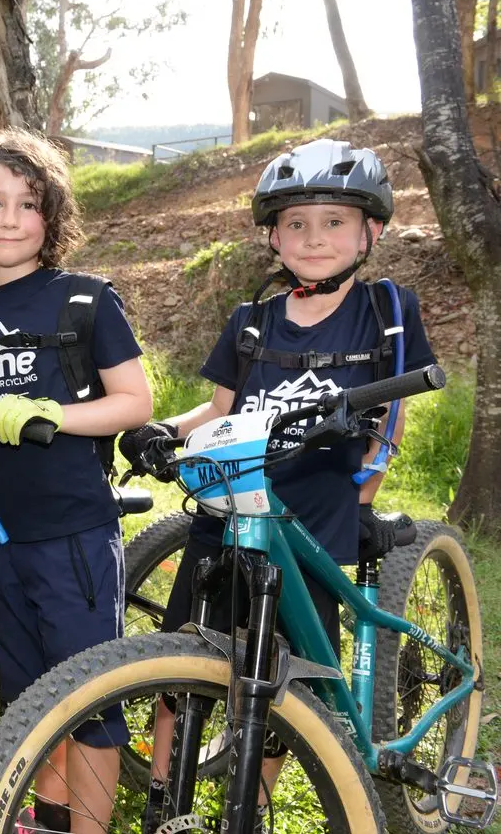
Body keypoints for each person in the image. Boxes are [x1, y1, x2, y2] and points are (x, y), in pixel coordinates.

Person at [118, 138, 436, 833]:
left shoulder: (387, 310)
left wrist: (363, 491)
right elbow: (217, 411)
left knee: (286, 683)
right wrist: (163, 431)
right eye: (296, 223)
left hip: (312, 521)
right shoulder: (251, 320)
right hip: (226, 510)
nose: (313, 237)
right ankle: (163, 807)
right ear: (273, 234)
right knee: (179, 668)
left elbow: (393, 413)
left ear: (369, 232)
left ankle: (249, 807)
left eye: (332, 222)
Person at [0, 129, 152, 833]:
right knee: (27, 694)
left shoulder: (84, 301)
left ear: (51, 217)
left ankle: (89, 826)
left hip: (74, 530)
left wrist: (55, 411)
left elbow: (135, 402)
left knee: (89, 697)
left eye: (28, 202)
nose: (11, 218)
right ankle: (49, 818)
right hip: (3, 533)